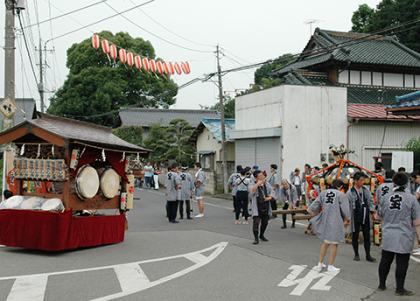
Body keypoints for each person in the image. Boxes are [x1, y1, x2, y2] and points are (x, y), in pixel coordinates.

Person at [375, 172, 420, 296]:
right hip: (404, 234)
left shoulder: (385, 197)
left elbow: (378, 216)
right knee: (402, 262)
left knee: (385, 260)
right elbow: (416, 221)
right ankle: (399, 288)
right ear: (406, 184)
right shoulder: (411, 198)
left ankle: (381, 285)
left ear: (393, 183)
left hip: (389, 233)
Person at [308, 179, 350, 272]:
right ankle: (330, 265)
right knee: (334, 244)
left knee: (326, 242)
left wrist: (314, 212)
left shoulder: (324, 193)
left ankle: (320, 263)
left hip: (325, 219)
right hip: (336, 220)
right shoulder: (341, 195)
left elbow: (315, 204)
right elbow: (345, 210)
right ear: (340, 187)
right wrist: (346, 219)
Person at [347, 172, 376, 262]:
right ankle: (356, 254)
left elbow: (371, 201)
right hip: (355, 215)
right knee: (355, 235)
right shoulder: (350, 192)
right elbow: (347, 204)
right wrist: (347, 216)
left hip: (365, 215)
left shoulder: (366, 190)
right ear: (355, 181)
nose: (363, 182)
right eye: (361, 180)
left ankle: (368, 254)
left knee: (366, 235)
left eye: (363, 180)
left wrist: (372, 211)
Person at [250, 170, 275, 244]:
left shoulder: (266, 184)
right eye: (260, 176)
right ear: (256, 178)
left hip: (265, 205)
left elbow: (272, 191)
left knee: (265, 222)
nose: (262, 177)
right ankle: (256, 238)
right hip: (257, 206)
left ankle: (261, 235)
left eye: (262, 176)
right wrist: (257, 184)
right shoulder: (252, 183)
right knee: (256, 222)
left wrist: (270, 197)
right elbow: (251, 191)